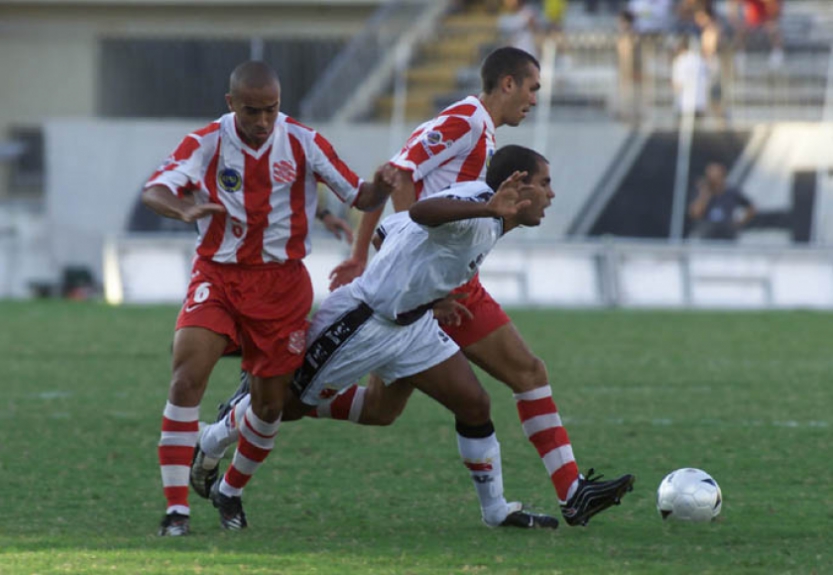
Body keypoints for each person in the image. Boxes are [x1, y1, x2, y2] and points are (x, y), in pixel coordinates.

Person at [198, 46, 635, 529]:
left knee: (420, 406)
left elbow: (413, 199)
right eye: (532, 87)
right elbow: (398, 173)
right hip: (380, 308)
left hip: (424, 297)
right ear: (507, 83)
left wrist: (407, 262)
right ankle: (225, 432)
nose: (535, 99)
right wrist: (382, 252)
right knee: (279, 406)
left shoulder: (488, 172)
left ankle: (505, 509)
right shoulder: (469, 128)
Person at [207, 146, 575, 532]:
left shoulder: (487, 216)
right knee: (283, 405)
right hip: (364, 323)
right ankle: (218, 446)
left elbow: (391, 232)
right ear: (516, 184)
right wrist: (485, 210)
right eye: (545, 183)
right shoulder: (478, 208)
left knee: (473, 404)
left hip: (413, 327)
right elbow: (419, 213)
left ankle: (496, 510)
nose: (551, 194)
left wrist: (426, 293)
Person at [144, 60, 394, 537]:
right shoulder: (205, 143)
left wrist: (382, 183)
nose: (262, 122)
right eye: (252, 111)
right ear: (230, 103)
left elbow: (361, 196)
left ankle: (231, 492)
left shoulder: (304, 141)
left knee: (270, 405)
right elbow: (156, 189)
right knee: (184, 380)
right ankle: (176, 513)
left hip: (282, 288)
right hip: (218, 277)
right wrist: (183, 208)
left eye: (271, 110)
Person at [687, 162, 756, 239]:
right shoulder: (702, 192)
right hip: (707, 232)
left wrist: (740, 223)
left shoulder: (731, 192)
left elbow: (750, 208)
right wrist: (705, 195)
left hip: (727, 231)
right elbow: (695, 214)